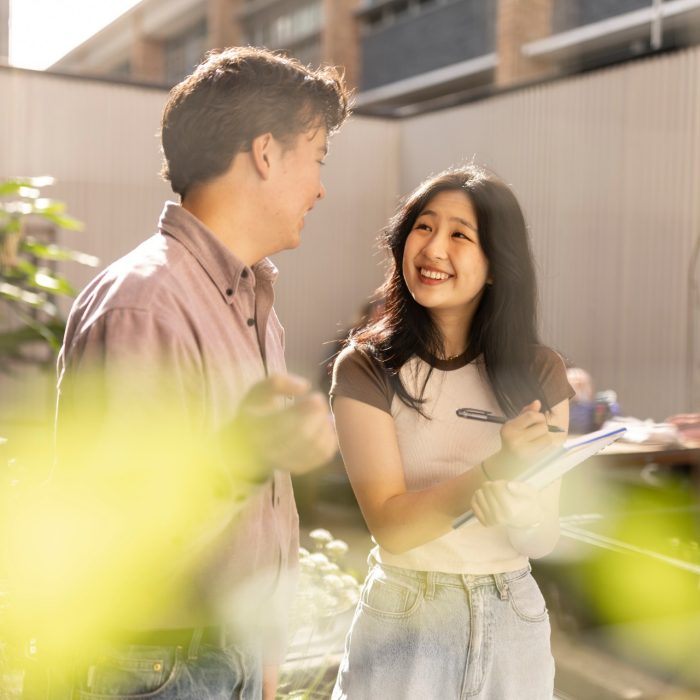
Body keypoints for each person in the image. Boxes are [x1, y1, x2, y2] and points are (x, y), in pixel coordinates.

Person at [40, 47, 349, 700]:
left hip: (228, 660)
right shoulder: (145, 305)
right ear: (266, 152)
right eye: (318, 157)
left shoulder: (252, 305)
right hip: (161, 671)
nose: (321, 187)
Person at [329, 165, 574, 699]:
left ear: (494, 266)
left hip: (513, 615)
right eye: (423, 227)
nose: (433, 248)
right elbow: (391, 526)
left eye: (460, 235)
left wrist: (522, 512)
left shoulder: (540, 374)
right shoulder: (365, 369)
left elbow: (543, 536)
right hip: (407, 612)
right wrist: (493, 471)